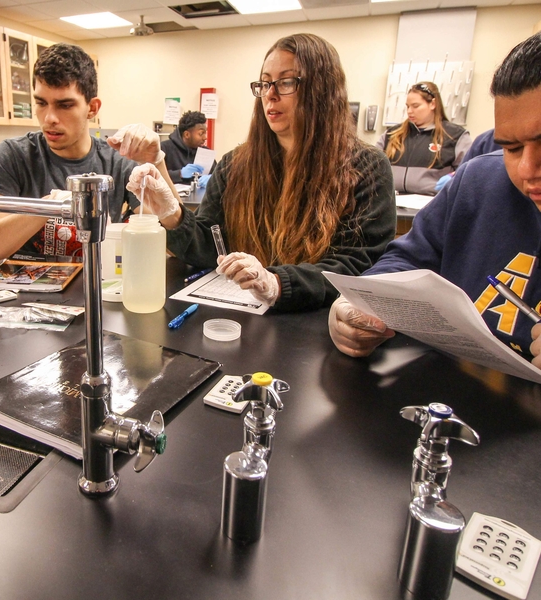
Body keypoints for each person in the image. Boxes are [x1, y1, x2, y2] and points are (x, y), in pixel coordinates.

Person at [124, 33, 396, 313]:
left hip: (321, 325)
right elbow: (211, 245)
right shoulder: (236, 164)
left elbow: (358, 265)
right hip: (244, 323)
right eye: (265, 83)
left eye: (287, 82)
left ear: (323, 89)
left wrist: (277, 283)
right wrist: (171, 213)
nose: (270, 94)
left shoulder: (365, 166)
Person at [329, 32, 541, 368]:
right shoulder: (477, 183)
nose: (528, 168)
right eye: (511, 148)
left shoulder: (453, 138)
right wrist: (356, 303)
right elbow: (404, 259)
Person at [0, 43, 169, 262]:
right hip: (25, 292)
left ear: (92, 108)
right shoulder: (14, 155)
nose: (49, 118)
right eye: (41, 103)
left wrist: (156, 162)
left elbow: (171, 239)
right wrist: (53, 205)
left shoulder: (117, 162)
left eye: (65, 105)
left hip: (97, 287)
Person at [377, 81, 472, 196]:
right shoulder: (391, 134)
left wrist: (453, 177)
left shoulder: (455, 135)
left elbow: (470, 170)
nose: (409, 111)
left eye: (415, 106)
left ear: (432, 104)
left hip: (433, 204)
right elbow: (371, 165)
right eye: (408, 106)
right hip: (393, 202)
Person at [161, 110, 213, 187]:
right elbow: (155, 176)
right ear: (187, 134)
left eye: (205, 133)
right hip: (173, 198)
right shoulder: (164, 148)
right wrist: (179, 174)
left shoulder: (205, 152)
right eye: (201, 133)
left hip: (200, 198)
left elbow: (219, 175)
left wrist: (212, 178)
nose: (205, 137)